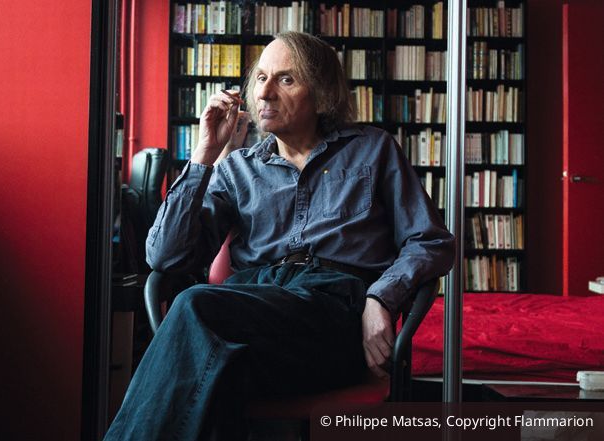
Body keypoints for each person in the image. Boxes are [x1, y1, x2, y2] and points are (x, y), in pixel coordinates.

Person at [104, 31, 455, 441]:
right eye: (261, 78)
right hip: (252, 315)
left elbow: (430, 240)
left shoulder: (373, 150)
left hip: (331, 314)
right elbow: (165, 257)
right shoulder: (236, 169)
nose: (265, 93)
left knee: (195, 310)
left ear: (322, 95)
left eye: (286, 79)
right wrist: (204, 155)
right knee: (211, 378)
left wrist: (381, 297)